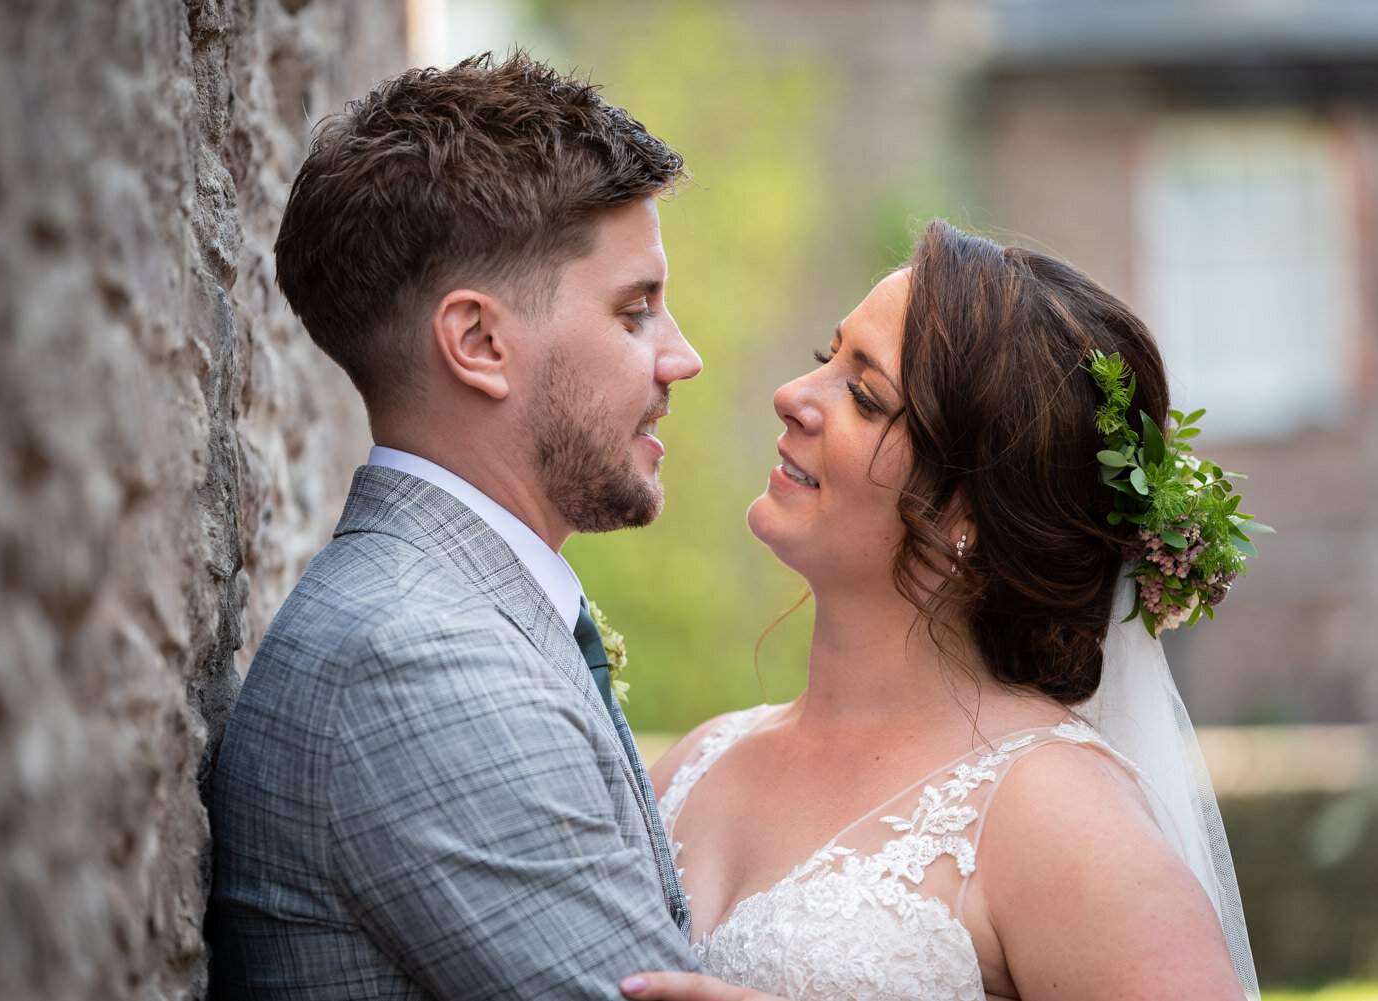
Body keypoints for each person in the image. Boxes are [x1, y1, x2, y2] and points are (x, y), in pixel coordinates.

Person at [619, 221, 1261, 1001]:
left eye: (863, 393)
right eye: (828, 359)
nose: (792, 396)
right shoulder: (694, 762)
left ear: (970, 512)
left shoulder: (1055, 810)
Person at [205, 53, 710, 998]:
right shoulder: (419, 660)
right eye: (635, 311)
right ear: (479, 343)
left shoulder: (450, 615)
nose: (681, 358)